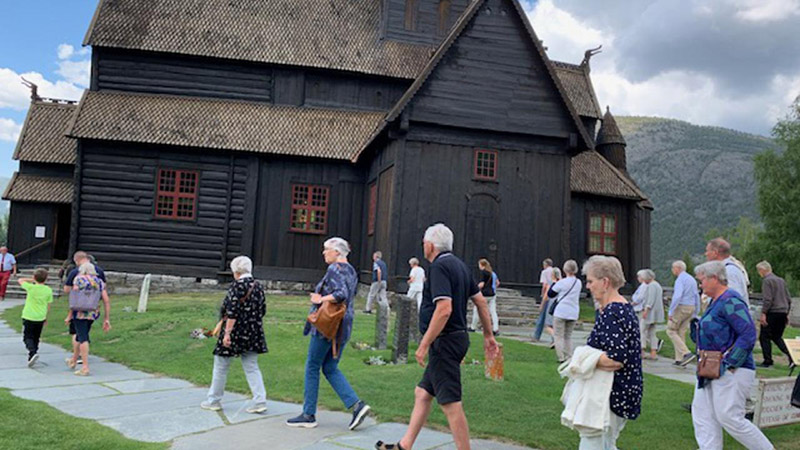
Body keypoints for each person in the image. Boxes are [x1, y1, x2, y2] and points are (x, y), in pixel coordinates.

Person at [375, 224, 499, 450]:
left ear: (430, 245)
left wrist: (424, 344)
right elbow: (480, 301)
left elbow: (444, 309)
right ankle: (404, 446)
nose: (423, 245)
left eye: (424, 242)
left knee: (451, 404)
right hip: (456, 338)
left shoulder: (439, 267)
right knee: (422, 393)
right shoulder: (460, 265)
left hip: (445, 341)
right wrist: (488, 335)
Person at [287, 238, 371, 430]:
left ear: (337, 252)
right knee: (330, 368)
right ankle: (357, 405)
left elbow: (340, 293)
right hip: (344, 326)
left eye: (326, 249)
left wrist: (320, 298)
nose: (324, 253)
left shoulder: (335, 269)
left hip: (327, 325)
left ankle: (308, 414)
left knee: (312, 365)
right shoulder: (351, 271)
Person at [690, 261, 773, 450]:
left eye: (701, 280)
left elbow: (748, 334)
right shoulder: (715, 302)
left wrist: (728, 362)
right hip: (708, 369)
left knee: (730, 417)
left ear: (714, 278)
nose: (700, 285)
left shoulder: (730, 300)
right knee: (703, 414)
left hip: (730, 370)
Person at [578, 255, 642, 449]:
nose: (587, 286)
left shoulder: (613, 312)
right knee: (606, 443)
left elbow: (616, 359)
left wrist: (582, 358)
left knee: (593, 442)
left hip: (611, 393)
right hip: (620, 391)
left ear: (605, 282)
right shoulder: (621, 308)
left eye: (590, 281)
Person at [201, 256, 268, 414]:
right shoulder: (258, 286)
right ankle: (260, 401)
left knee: (221, 366)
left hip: (235, 331)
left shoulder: (236, 287)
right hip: (253, 331)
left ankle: (214, 400)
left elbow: (231, 312)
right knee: (252, 367)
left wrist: (227, 334)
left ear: (236, 271)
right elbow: (262, 310)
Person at [64, 262, 111, 376]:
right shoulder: (99, 282)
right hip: (93, 313)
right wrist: (107, 318)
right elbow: (106, 300)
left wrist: (69, 315)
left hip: (79, 313)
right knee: (81, 336)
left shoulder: (78, 280)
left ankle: (85, 367)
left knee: (83, 338)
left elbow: (73, 299)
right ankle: (73, 360)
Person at [756, 261, 794, 368]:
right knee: (777, 337)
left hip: (772, 311)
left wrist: (763, 313)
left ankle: (768, 361)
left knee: (764, 336)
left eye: (759, 271)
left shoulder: (767, 281)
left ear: (763, 270)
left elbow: (768, 299)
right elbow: (788, 298)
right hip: (782, 311)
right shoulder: (781, 280)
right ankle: (792, 356)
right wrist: (786, 313)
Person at [667, 260, 700, 366]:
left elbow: (677, 296)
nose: (672, 270)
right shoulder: (691, 279)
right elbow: (696, 295)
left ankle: (686, 353)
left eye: (673, 268)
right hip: (691, 307)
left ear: (678, 268)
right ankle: (679, 359)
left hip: (681, 306)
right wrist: (696, 311)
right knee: (681, 331)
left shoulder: (680, 280)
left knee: (671, 330)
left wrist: (671, 311)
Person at [18, 268, 53, 367]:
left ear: (34, 277)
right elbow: (48, 304)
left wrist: (32, 280)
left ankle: (32, 351)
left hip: (29, 315)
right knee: (36, 336)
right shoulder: (48, 290)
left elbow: (20, 280)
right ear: (46, 279)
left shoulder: (31, 287)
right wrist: (46, 316)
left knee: (27, 336)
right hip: (40, 316)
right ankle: (33, 354)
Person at [548, 260, 581, 363]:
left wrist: (554, 282)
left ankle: (561, 357)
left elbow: (551, 294)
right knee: (568, 336)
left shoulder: (562, 282)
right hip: (573, 311)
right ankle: (569, 356)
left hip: (561, 311)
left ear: (565, 269)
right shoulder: (578, 282)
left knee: (558, 335)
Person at [705, 238, 750, 307]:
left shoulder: (728, 271)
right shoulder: (725, 269)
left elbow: (732, 300)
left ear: (715, 253)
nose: (706, 254)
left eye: (707, 251)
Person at [469, 258, 499, 336]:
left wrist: (475, 288)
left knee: (476, 310)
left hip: (484, 294)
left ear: (482, 265)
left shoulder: (483, 273)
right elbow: (497, 282)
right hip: (492, 294)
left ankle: (473, 327)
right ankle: (495, 328)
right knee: (493, 311)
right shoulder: (491, 273)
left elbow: (481, 284)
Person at [640, 269, 665, 360]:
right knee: (652, 332)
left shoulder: (651, 286)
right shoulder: (657, 285)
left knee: (642, 331)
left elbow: (650, 300)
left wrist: (646, 310)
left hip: (650, 312)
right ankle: (653, 352)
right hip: (656, 313)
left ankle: (642, 351)